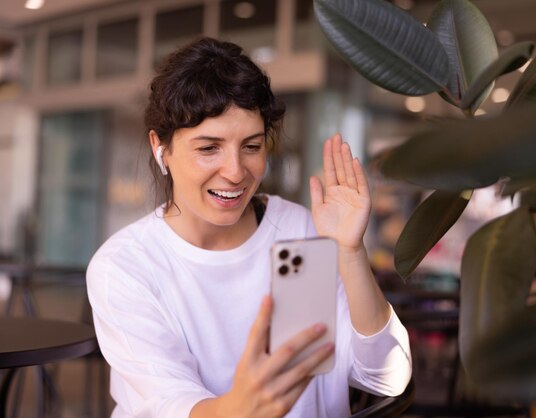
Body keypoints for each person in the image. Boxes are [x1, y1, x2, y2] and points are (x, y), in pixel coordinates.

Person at [86, 37, 412, 418]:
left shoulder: (295, 238)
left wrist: (349, 252)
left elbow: (384, 379)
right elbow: (171, 404)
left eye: (252, 147)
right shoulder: (128, 267)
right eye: (209, 148)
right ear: (162, 149)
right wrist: (240, 409)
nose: (236, 171)